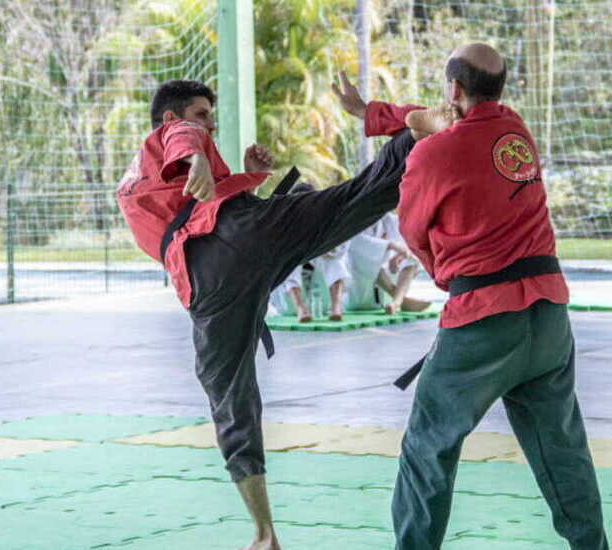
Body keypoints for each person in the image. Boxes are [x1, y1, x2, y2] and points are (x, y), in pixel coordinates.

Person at [116, 77, 443, 550]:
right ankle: (415, 134)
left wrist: (239, 175)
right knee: (351, 199)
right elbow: (182, 142)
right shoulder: (169, 137)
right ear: (170, 116)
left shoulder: (135, 179)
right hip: (231, 238)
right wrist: (199, 157)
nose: (210, 123)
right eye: (202, 114)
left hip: (208, 280)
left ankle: (264, 532)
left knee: (228, 396)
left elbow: (199, 212)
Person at [380, 43, 610, 549]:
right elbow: (456, 128)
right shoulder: (516, 133)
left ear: (454, 89)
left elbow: (415, 232)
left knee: (428, 447)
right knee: (561, 448)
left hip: (483, 322)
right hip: (549, 318)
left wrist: (447, 277)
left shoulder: (431, 153)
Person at [269, 183, 351, 322]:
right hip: (292, 287)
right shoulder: (285, 222)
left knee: (334, 262)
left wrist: (326, 249)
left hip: (320, 278)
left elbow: (341, 250)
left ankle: (336, 307)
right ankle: (301, 308)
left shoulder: (328, 219)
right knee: (289, 264)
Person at [345, 211, 430, 314]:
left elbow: (405, 243)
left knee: (411, 258)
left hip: (388, 270)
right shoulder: (354, 220)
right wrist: (391, 245)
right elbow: (357, 244)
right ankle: (402, 301)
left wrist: (399, 255)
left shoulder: (388, 218)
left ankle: (397, 302)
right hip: (361, 275)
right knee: (370, 259)